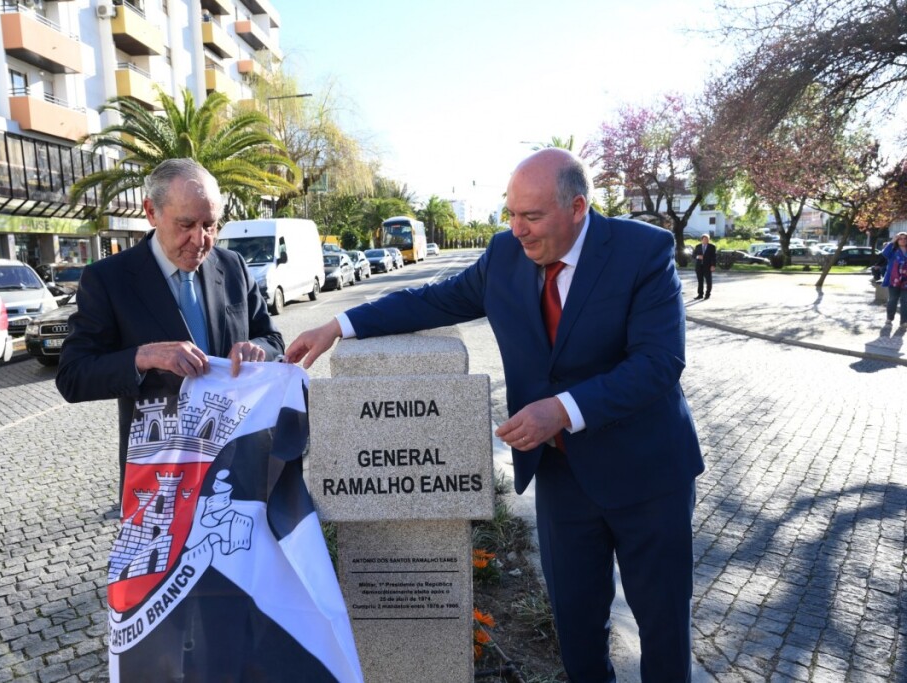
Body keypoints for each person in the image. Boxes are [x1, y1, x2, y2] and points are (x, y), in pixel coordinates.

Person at [287, 149, 704, 682]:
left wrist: (563, 410)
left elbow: (659, 362)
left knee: (663, 630)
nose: (517, 230)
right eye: (510, 214)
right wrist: (339, 326)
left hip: (647, 476)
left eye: (531, 217)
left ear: (577, 208)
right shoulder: (505, 254)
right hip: (562, 478)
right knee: (576, 630)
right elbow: (433, 300)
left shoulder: (642, 251)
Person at [56, 158, 284, 500]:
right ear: (151, 212)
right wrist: (144, 356)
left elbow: (272, 338)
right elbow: (73, 376)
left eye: (210, 224)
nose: (200, 240)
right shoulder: (108, 280)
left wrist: (257, 349)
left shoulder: (232, 265)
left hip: (238, 469)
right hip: (160, 481)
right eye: (186, 224)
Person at [880, 231, 907, 326]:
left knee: (905, 300)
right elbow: (884, 254)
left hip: (906, 280)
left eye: (905, 238)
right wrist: (892, 241)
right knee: (893, 299)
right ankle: (889, 318)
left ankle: (904, 321)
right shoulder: (893, 250)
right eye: (900, 238)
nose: (903, 240)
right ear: (897, 240)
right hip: (894, 279)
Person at [692, 233, 716, 299]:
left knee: (708, 281)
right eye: (704, 239)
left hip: (708, 267)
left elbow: (713, 257)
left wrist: (713, 265)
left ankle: (707, 294)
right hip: (699, 267)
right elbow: (693, 255)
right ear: (701, 240)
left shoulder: (712, 247)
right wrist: (697, 256)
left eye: (707, 239)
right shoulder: (698, 246)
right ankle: (700, 295)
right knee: (700, 281)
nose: (706, 240)